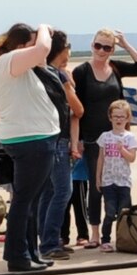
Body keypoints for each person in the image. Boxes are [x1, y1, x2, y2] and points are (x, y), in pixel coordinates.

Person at [0, 23, 61, 273]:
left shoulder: (23, 66)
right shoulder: (10, 60)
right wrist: (43, 29)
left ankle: (30, 251)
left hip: (37, 139)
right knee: (24, 200)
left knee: (31, 200)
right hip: (29, 141)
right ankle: (17, 256)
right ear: (21, 45)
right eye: (31, 42)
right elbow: (43, 48)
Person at [73, 27, 137, 247]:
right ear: (92, 45)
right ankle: (96, 233)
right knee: (97, 185)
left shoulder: (116, 68)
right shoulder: (81, 72)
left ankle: (123, 232)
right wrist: (77, 140)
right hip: (91, 140)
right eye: (98, 45)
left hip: (118, 139)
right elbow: (76, 109)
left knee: (121, 183)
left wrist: (126, 44)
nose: (102, 51)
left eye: (107, 47)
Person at [36, 30, 86, 260]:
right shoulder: (59, 76)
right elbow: (78, 110)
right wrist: (69, 86)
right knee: (63, 192)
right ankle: (49, 242)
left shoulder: (38, 72)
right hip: (59, 139)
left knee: (49, 191)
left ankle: (46, 238)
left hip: (46, 138)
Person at [94, 100, 137, 251]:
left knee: (124, 212)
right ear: (110, 118)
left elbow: (132, 158)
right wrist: (98, 178)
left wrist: (122, 150)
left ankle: (124, 239)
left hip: (124, 181)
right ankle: (105, 240)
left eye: (122, 117)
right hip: (108, 181)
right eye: (116, 116)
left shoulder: (130, 137)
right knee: (110, 212)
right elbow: (101, 158)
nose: (119, 119)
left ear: (127, 118)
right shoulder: (105, 137)